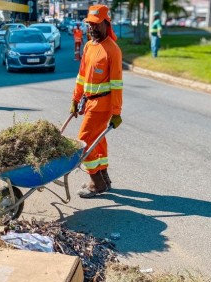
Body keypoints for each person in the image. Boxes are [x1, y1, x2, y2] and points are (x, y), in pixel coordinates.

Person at [69, 4, 123, 198]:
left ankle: (96, 183)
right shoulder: (89, 46)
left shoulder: (112, 51)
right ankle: (104, 177)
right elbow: (82, 76)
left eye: (96, 24)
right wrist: (75, 99)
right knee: (98, 141)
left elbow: (117, 85)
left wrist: (116, 112)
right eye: (89, 24)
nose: (92, 28)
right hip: (89, 102)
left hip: (103, 105)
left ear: (106, 24)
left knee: (84, 140)